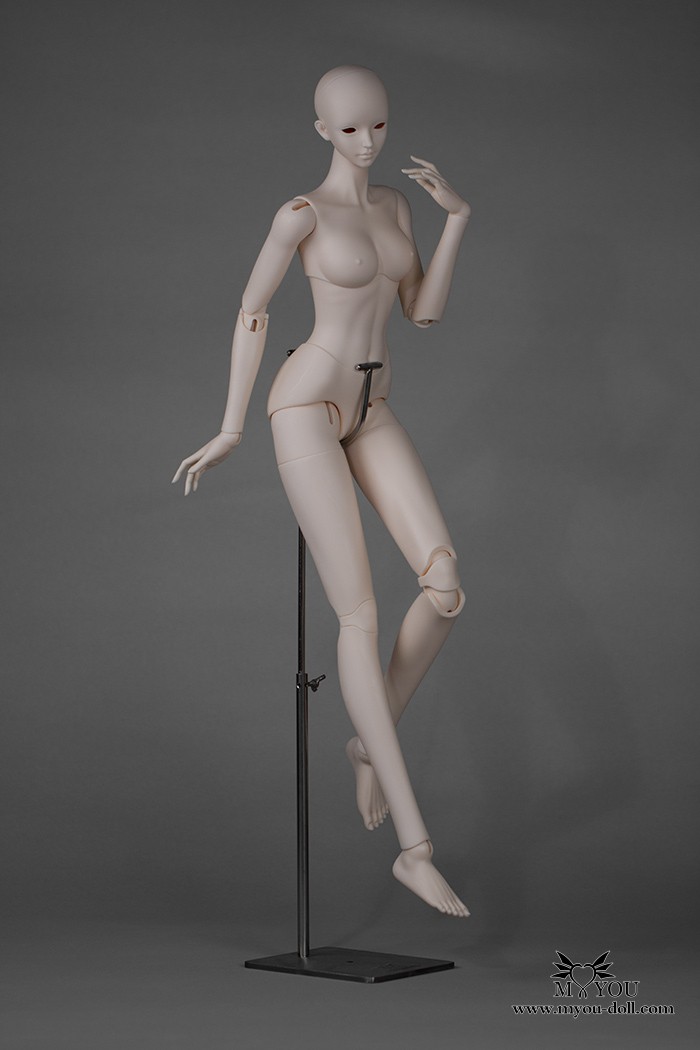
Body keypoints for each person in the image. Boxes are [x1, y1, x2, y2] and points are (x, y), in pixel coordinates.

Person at [173, 66, 471, 917]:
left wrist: (456, 220)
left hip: (374, 407)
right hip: (308, 403)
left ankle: (369, 744)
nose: (367, 142)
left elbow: (423, 314)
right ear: (320, 130)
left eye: (377, 125)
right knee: (358, 618)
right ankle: (414, 848)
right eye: (348, 129)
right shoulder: (299, 215)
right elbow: (252, 311)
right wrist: (232, 425)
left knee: (445, 587)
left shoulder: (397, 208)